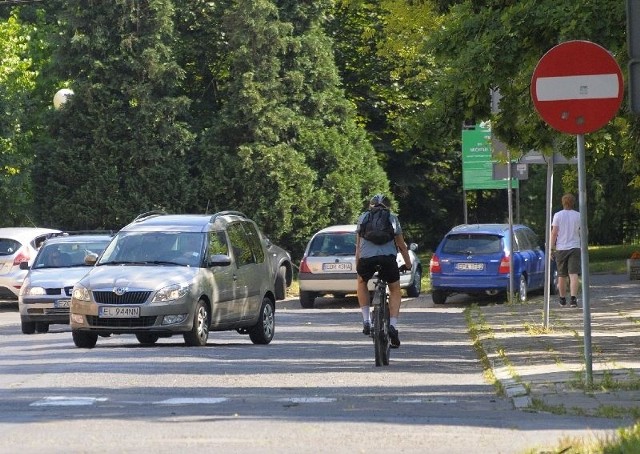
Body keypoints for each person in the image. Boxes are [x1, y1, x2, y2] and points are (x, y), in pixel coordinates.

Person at [355, 194, 412, 348]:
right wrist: (408, 264)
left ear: (370, 206)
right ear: (388, 206)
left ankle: (366, 320)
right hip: (388, 259)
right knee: (394, 289)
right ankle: (393, 325)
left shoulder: (363, 218)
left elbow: (358, 248)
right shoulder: (392, 218)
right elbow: (402, 246)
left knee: (361, 282)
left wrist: (358, 268)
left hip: (367, 260)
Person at [550, 193, 581, 308]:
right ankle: (573, 299)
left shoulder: (557, 215)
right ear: (573, 203)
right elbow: (584, 232)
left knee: (561, 275)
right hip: (575, 247)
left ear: (563, 202)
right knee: (573, 274)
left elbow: (554, 233)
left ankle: (562, 299)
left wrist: (551, 248)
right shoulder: (578, 215)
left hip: (561, 248)